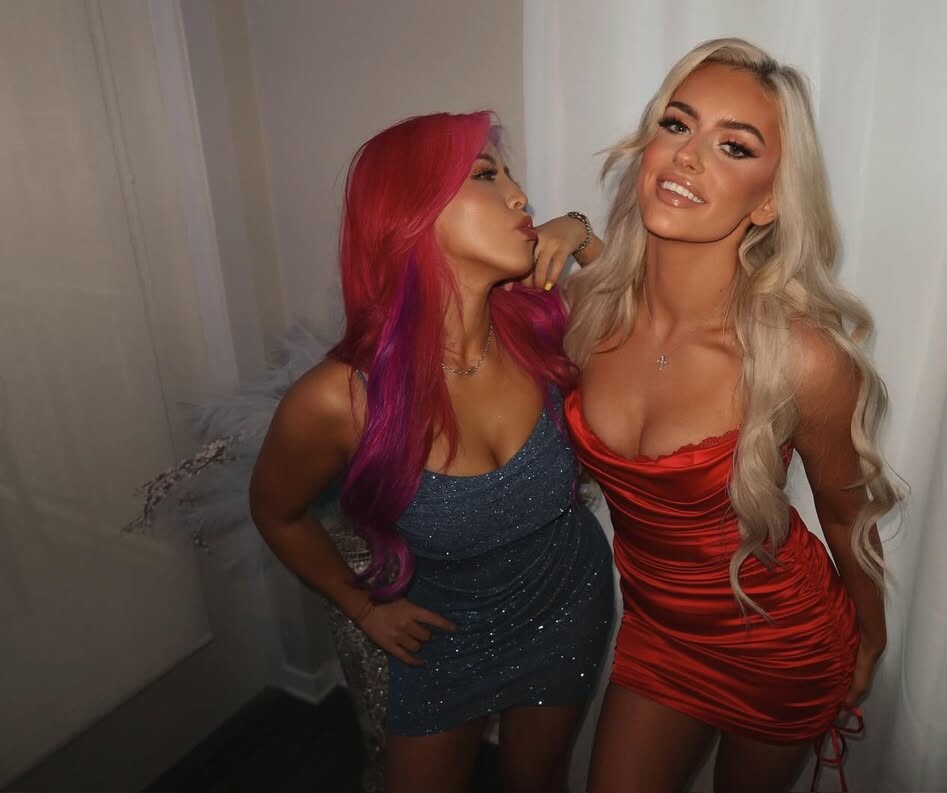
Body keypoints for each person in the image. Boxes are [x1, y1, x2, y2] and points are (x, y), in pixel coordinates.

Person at [546, 39, 902, 792]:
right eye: (677, 125)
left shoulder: (803, 360)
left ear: (768, 201)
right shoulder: (587, 312)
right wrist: (574, 228)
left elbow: (846, 519)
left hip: (780, 642)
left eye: (734, 146)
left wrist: (870, 640)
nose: (687, 155)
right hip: (657, 632)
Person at [249, 111, 613, 793]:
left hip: (568, 602)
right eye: (485, 176)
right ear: (411, 214)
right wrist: (361, 607)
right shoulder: (339, 398)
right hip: (446, 637)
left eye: (510, 176)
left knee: (537, 779)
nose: (520, 196)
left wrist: (581, 231)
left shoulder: (543, 325)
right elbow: (276, 511)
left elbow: (652, 316)